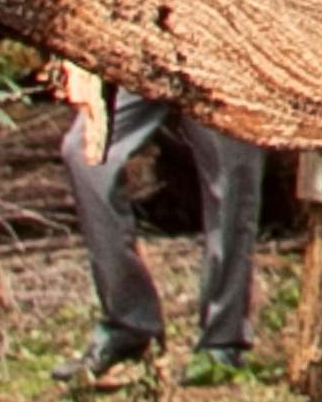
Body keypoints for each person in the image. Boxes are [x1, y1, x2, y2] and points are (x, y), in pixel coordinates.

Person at [55, 68, 269, 383]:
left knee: (231, 182)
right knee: (84, 153)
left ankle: (222, 343)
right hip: (148, 49)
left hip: (225, 52)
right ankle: (127, 323)